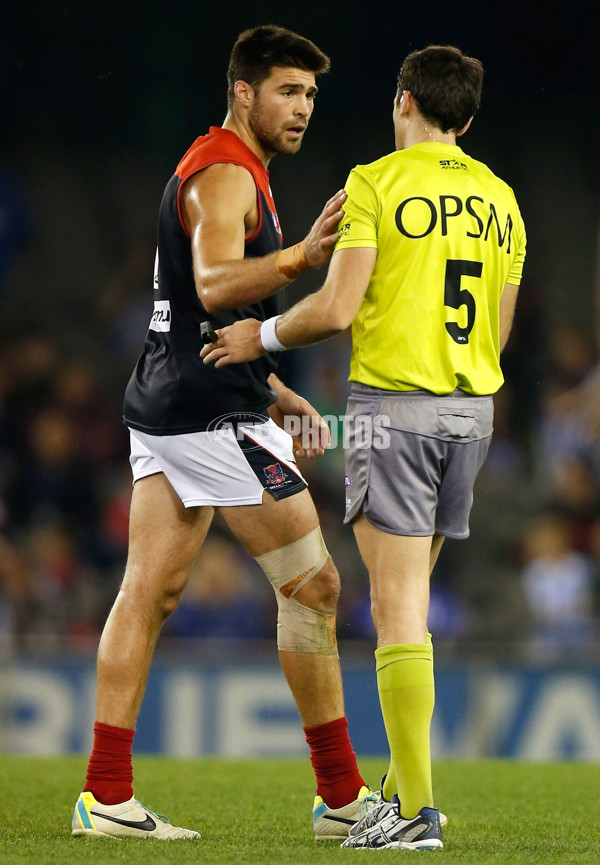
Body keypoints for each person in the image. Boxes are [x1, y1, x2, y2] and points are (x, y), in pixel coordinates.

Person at [202, 44, 527, 850]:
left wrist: (262, 333)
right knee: (407, 604)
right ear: (470, 118)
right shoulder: (504, 200)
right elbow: (500, 330)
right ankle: (404, 791)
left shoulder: (378, 182)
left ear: (403, 101)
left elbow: (336, 308)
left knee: (396, 612)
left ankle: (415, 812)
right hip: (470, 415)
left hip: (397, 409)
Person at [72, 25, 378, 842]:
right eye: (287, 89)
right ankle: (344, 798)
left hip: (180, 399)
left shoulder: (233, 169)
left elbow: (200, 311)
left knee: (149, 591)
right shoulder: (223, 172)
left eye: (310, 94)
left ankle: (104, 794)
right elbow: (212, 285)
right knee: (314, 587)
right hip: (209, 416)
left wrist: (274, 388)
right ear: (243, 92)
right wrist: (303, 257)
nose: (302, 107)